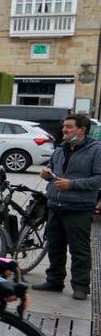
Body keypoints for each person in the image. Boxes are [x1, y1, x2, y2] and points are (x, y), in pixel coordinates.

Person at [34, 115, 101, 300]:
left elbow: (98, 178)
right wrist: (47, 174)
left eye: (69, 127)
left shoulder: (96, 150)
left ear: (82, 130)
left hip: (79, 208)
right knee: (55, 246)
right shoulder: (60, 149)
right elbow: (52, 169)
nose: (64, 130)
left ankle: (81, 287)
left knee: (79, 250)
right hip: (55, 205)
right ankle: (54, 280)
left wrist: (72, 184)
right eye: (64, 127)